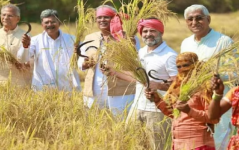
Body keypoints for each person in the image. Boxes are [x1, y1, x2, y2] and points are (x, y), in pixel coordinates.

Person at [180, 4, 234, 147]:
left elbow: (236, 74)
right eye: (190, 19)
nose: (194, 22)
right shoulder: (185, 43)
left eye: (199, 18)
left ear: (208, 19)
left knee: (217, 141)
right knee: (196, 142)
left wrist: (210, 76)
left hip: (217, 102)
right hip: (193, 104)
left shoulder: (223, 42)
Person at [145, 52, 218, 150]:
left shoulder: (203, 87)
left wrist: (189, 110)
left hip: (198, 144)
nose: (182, 69)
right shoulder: (177, 87)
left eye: (186, 65)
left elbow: (213, 118)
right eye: (178, 67)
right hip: (178, 144)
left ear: (195, 65)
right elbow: (173, 113)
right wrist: (157, 100)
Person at [77, 5, 140, 114]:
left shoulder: (127, 37)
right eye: (99, 17)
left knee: (119, 124)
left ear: (114, 19)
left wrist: (132, 47)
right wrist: (84, 64)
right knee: (92, 125)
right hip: (93, 92)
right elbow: (80, 60)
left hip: (120, 92)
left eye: (106, 17)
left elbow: (137, 62)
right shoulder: (90, 38)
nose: (102, 20)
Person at [126, 18, 178, 150]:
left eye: (152, 31)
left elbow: (179, 85)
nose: (148, 34)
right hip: (137, 107)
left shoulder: (170, 56)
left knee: (158, 147)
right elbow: (138, 79)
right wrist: (113, 72)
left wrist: (159, 86)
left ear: (161, 32)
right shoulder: (142, 52)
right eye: (145, 31)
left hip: (158, 111)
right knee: (132, 144)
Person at [17, 9, 80, 91]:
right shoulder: (35, 40)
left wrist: (78, 53)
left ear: (59, 23)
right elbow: (22, 59)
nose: (50, 24)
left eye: (53, 22)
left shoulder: (72, 39)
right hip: (43, 89)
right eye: (46, 22)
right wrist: (25, 46)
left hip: (68, 88)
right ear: (42, 24)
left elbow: (81, 61)